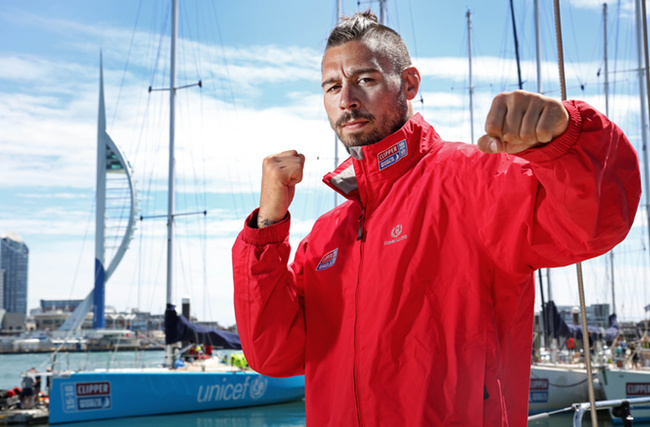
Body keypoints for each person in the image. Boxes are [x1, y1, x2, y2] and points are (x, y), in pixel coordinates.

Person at [232, 11, 641, 426]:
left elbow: (593, 223)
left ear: (409, 84)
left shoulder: (473, 178)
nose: (346, 100)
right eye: (332, 86)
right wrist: (267, 227)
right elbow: (275, 354)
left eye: (365, 80)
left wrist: (567, 140)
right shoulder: (325, 235)